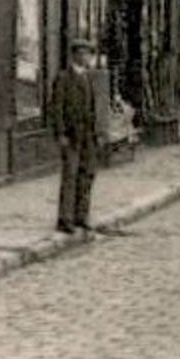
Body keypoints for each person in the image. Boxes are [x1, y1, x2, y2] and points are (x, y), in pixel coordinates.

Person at [52, 38, 105, 233]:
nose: (86, 58)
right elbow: (56, 108)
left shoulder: (88, 78)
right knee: (70, 175)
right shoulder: (64, 78)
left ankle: (81, 216)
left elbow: (93, 108)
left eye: (89, 54)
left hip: (88, 135)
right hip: (72, 135)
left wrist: (98, 132)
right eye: (82, 54)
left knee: (87, 174)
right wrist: (61, 133)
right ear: (74, 55)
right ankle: (65, 219)